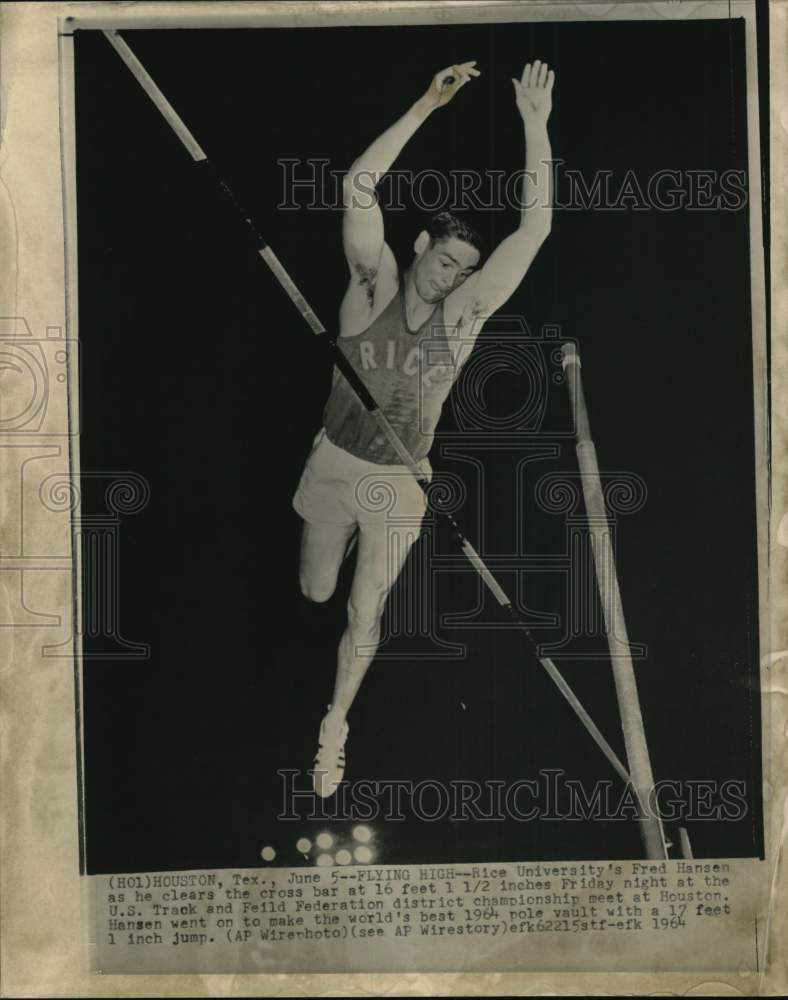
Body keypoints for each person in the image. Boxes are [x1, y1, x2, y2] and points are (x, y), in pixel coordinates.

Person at [293, 58, 555, 797]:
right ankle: (324, 586)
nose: (451, 278)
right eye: (445, 261)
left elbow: (534, 229)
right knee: (316, 592)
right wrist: (423, 107)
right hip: (335, 462)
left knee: (365, 604)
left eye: (463, 270)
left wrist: (534, 124)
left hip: (399, 479)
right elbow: (357, 187)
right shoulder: (369, 281)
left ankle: (335, 726)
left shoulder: (465, 317)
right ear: (418, 248)